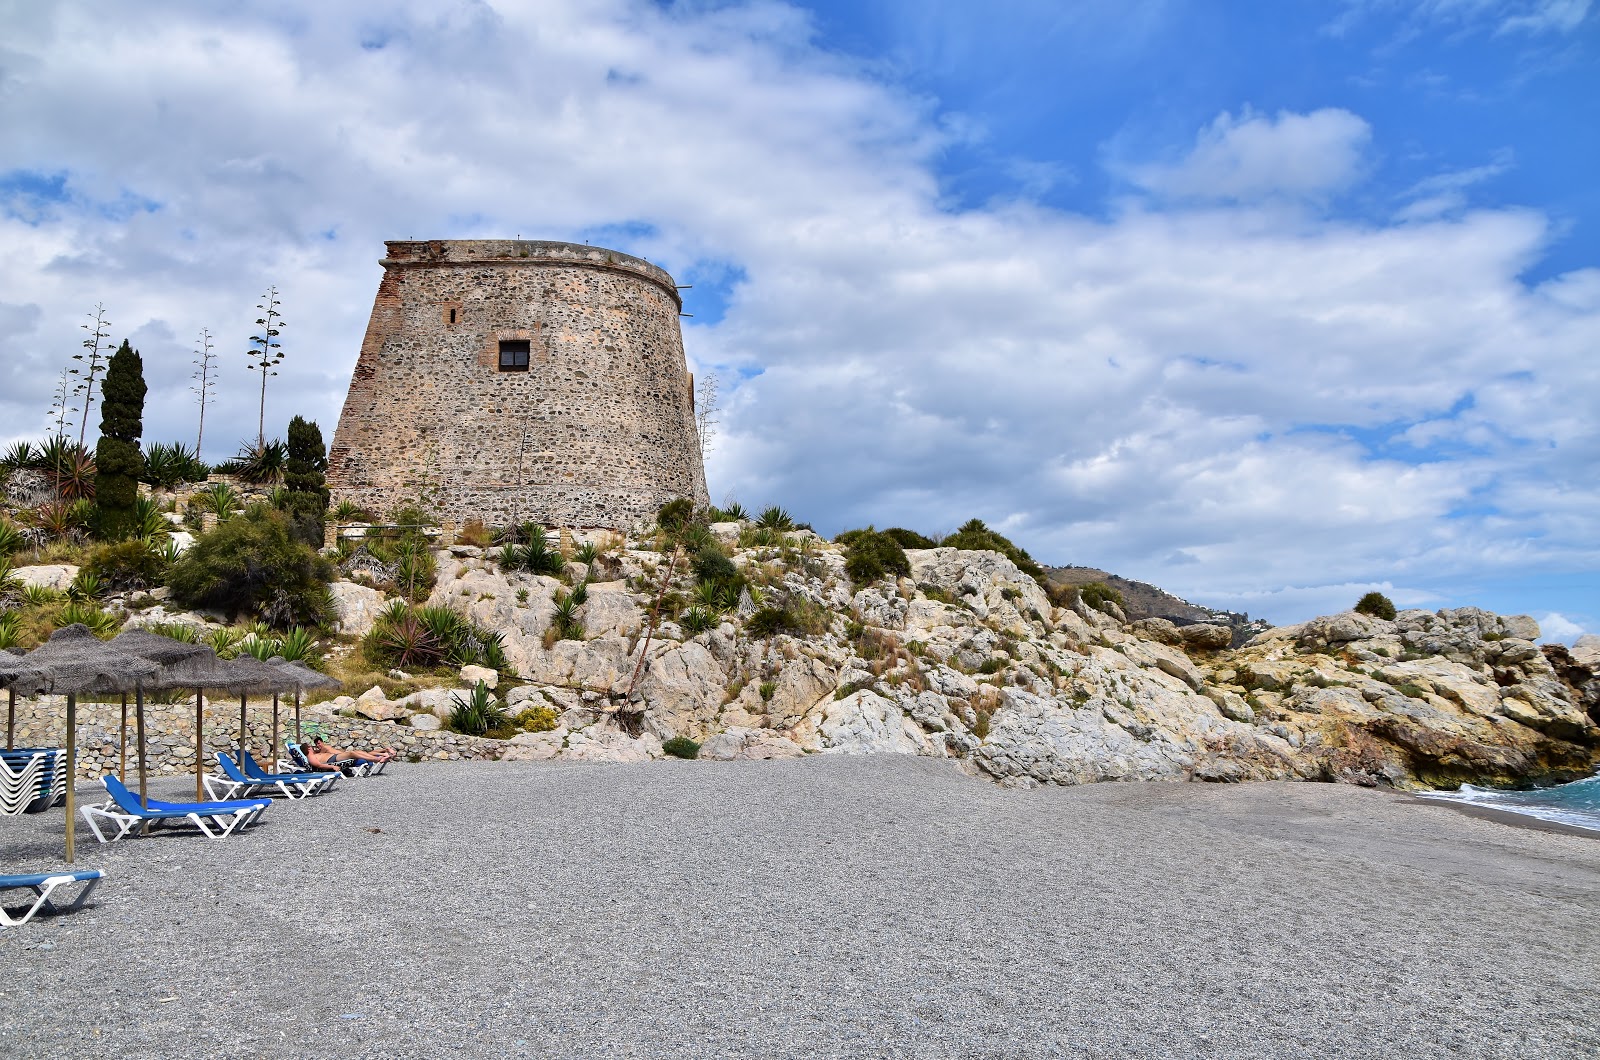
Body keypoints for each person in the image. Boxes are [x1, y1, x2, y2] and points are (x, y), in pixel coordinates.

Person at [304, 737, 396, 772]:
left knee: (359, 753)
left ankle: (382, 755)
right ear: (308, 749)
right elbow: (319, 765)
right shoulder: (311, 757)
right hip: (333, 760)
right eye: (313, 745)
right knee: (354, 753)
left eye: (318, 743)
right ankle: (378, 758)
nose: (315, 746)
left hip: (336, 757)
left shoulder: (320, 750)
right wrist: (332, 767)